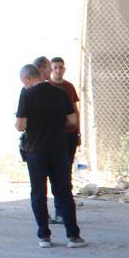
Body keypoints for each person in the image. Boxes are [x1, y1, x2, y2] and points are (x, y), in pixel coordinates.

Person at [15, 64, 85, 248]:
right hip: (58, 149)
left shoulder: (26, 95)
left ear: (28, 79)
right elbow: (73, 119)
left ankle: (44, 236)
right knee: (63, 191)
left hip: (35, 150)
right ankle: (73, 236)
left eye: (24, 82)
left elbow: (20, 126)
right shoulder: (60, 92)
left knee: (38, 192)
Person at [47, 56, 81, 225]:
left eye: (61, 67)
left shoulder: (69, 87)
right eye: (55, 67)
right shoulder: (47, 87)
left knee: (66, 170)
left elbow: (75, 110)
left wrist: (78, 132)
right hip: (54, 136)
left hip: (69, 134)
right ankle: (58, 209)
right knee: (55, 172)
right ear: (50, 69)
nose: (58, 70)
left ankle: (64, 210)